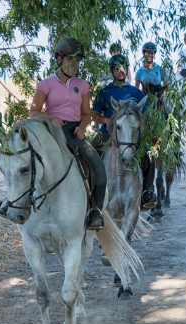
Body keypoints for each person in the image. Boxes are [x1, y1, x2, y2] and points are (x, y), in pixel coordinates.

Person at [27, 37, 106, 231]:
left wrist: (82, 126)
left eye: (78, 60)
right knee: (26, 160)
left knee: (98, 166)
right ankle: (15, 202)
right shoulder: (45, 84)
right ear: (59, 59)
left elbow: (87, 114)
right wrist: (50, 118)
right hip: (51, 132)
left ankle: (95, 211)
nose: (75, 64)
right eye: (70, 59)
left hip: (74, 132)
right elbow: (34, 112)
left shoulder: (83, 85)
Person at [91, 54, 155, 209]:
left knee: (149, 157)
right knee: (90, 153)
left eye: (123, 68)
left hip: (132, 136)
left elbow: (145, 114)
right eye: (117, 69)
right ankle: (90, 193)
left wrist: (143, 126)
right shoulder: (104, 92)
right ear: (111, 71)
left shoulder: (136, 92)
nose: (120, 71)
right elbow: (95, 115)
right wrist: (107, 121)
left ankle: (147, 192)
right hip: (107, 134)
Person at [134, 42, 170, 210]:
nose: (150, 54)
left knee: (168, 117)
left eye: (152, 52)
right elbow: (135, 90)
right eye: (147, 52)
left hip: (158, 101)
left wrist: (161, 95)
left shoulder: (159, 69)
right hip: (145, 103)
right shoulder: (140, 71)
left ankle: (171, 141)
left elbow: (167, 84)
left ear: (154, 54)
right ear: (144, 54)